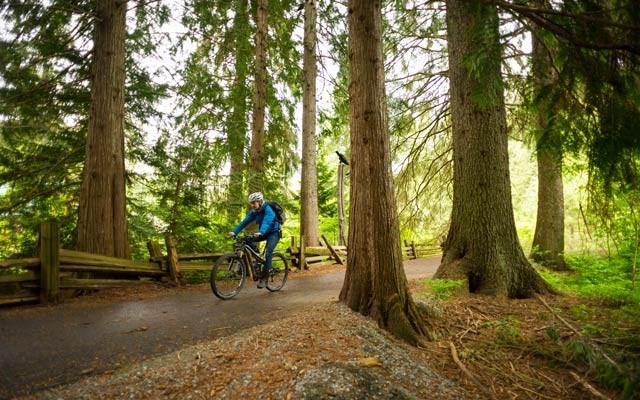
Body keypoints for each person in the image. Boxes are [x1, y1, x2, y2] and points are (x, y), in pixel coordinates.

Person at [229, 192, 281, 289]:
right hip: (263, 232)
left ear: (260, 202)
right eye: (251, 203)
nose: (252, 205)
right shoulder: (254, 212)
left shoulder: (268, 209)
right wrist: (234, 231)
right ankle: (257, 255)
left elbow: (267, 221)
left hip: (274, 233)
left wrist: (261, 232)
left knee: (269, 253)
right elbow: (244, 222)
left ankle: (264, 278)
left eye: (254, 203)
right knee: (246, 239)